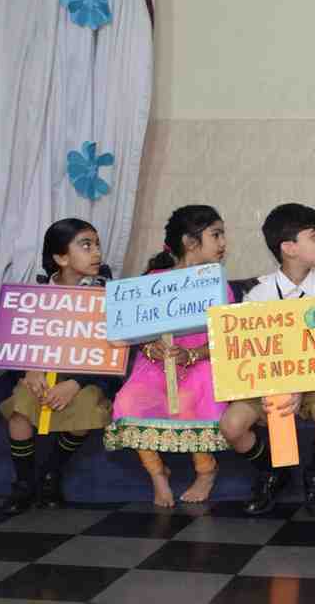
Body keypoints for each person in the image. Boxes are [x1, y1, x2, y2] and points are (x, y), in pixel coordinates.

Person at [219, 203, 315, 516]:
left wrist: (299, 386)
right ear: (289, 248)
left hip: (314, 381)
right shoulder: (257, 293)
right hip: (266, 383)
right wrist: (269, 388)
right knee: (231, 425)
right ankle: (272, 471)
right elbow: (246, 351)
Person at [105, 205, 232, 507]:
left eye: (222, 235)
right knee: (129, 401)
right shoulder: (154, 279)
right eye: (216, 235)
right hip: (155, 364)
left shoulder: (218, 285)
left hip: (202, 363)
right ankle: (157, 474)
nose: (223, 243)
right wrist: (151, 348)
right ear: (190, 242)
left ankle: (206, 470)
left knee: (189, 400)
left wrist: (192, 354)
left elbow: (226, 340)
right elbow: (135, 332)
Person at [0, 219, 118, 514]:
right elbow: (16, 339)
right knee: (20, 410)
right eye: (86, 245)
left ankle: (51, 473)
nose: (96, 252)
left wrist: (75, 383)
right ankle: (24, 483)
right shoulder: (34, 293)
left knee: (88, 408)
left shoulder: (108, 294)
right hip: (37, 372)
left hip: (85, 376)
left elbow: (110, 350)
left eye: (97, 244)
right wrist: (29, 369)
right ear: (61, 257)